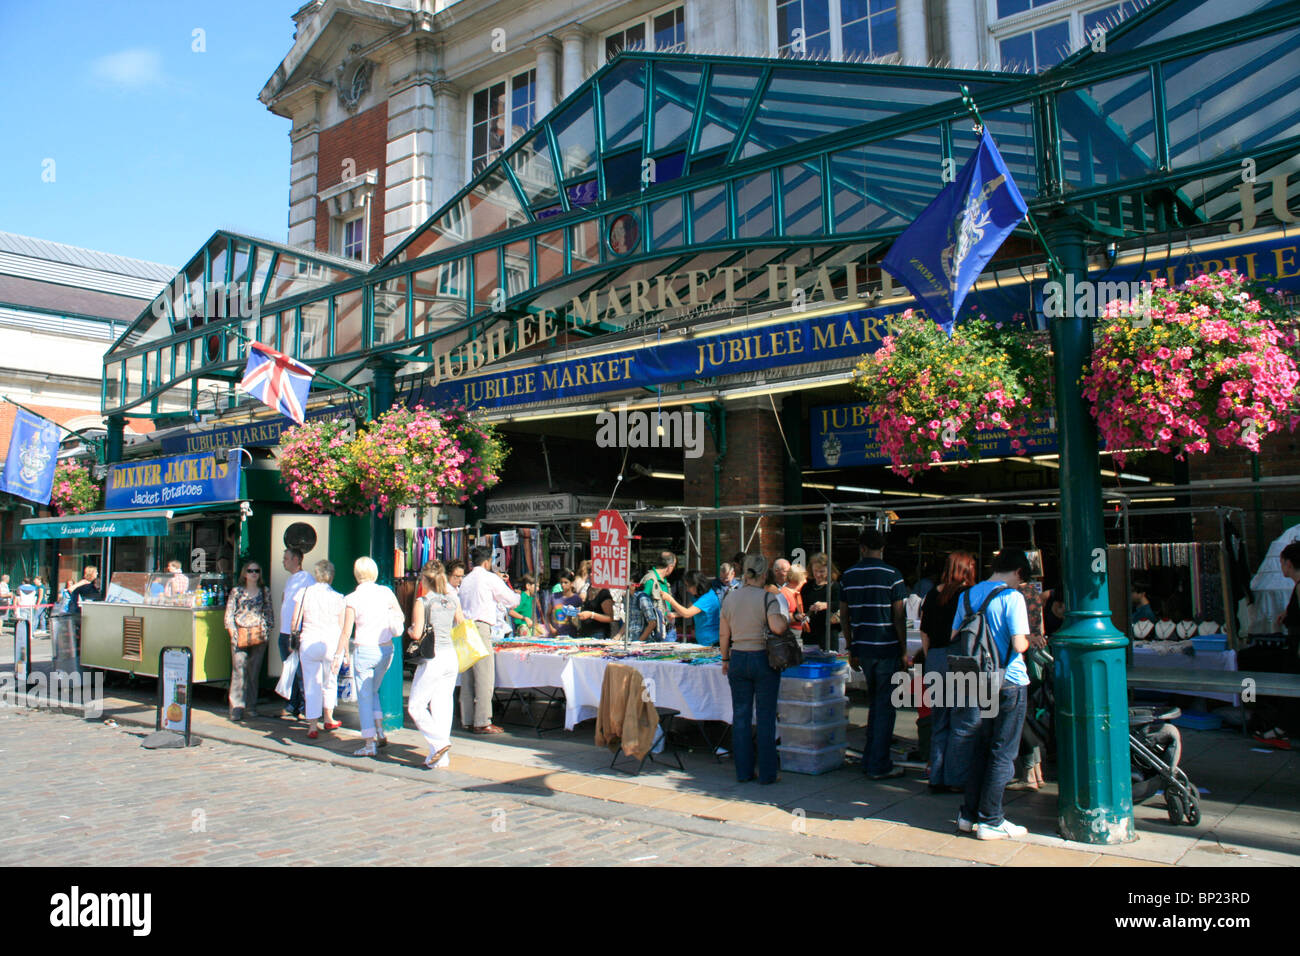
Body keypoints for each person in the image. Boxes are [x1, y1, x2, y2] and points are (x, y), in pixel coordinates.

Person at [950, 549, 1032, 841]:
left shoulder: (968, 596)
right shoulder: (1013, 598)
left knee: (981, 749)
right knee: (1003, 752)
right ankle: (991, 820)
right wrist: (1031, 637)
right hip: (1009, 680)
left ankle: (967, 814)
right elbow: (1019, 645)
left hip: (977, 680)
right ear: (1019, 572)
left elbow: (954, 636)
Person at [839, 529, 908, 780]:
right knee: (885, 705)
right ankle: (878, 763)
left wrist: (851, 646)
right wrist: (903, 650)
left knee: (874, 702)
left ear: (862, 547)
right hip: (887, 647)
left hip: (864, 648)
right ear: (882, 548)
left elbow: (844, 616)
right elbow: (899, 616)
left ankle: (871, 758)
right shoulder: (893, 575)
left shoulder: (848, 575)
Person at [720, 554, 790, 785]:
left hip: (738, 656)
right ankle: (768, 773)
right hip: (762, 658)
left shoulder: (730, 598)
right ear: (764, 573)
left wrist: (724, 658)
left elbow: (724, 634)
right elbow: (777, 627)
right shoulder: (767, 598)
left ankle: (743, 771)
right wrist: (786, 619)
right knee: (766, 717)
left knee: (740, 716)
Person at [919, 550, 978, 793]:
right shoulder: (968, 595)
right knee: (962, 721)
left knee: (939, 720)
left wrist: (930, 655)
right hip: (960, 659)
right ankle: (956, 778)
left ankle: (936, 776)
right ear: (967, 569)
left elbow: (924, 631)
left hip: (935, 657)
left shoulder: (933, 593)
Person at [339, 556, 404, 756]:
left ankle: (369, 743)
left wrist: (341, 654)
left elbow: (346, 631)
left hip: (364, 650)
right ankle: (380, 729)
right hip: (385, 649)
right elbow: (400, 615)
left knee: (365, 697)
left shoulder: (351, 598)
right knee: (374, 690)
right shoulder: (386, 592)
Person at [407, 560, 464, 768]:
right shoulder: (451, 600)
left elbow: (417, 632)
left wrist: (410, 630)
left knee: (416, 705)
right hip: (451, 655)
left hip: (433, 657)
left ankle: (439, 743)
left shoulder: (423, 602)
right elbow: (461, 621)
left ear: (424, 579)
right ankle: (440, 757)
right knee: (442, 704)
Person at [458, 545, 519, 734]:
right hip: (480, 626)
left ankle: (467, 718)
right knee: (484, 675)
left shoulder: (466, 580)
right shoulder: (489, 578)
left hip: (464, 627)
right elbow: (512, 601)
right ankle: (482, 720)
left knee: (467, 676)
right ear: (487, 562)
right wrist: (508, 587)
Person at [293, 560, 346, 739]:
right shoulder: (339, 597)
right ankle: (329, 717)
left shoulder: (304, 593)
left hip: (308, 640)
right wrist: (343, 650)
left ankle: (312, 725)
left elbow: (295, 620)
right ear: (331, 576)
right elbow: (342, 626)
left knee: (311, 683)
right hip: (330, 642)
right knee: (330, 680)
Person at [224, 562, 274, 721]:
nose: (254, 573)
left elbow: (269, 613)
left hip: (258, 634)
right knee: (239, 670)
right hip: (240, 633)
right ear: (244, 573)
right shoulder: (237, 592)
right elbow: (229, 614)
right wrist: (232, 632)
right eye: (250, 571)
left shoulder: (264, 592)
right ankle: (236, 707)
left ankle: (251, 706)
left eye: (257, 571)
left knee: (254, 672)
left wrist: (266, 631)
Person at [278, 547, 314, 719]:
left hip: (295, 632)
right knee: (290, 669)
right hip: (285, 631)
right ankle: (293, 704)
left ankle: (303, 706)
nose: (283, 561)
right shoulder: (290, 579)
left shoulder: (306, 578)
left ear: (296, 560)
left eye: (286, 558)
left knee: (300, 671)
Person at [661, 570, 722, 646]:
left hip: (712, 642)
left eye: (688, 586)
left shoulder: (707, 598)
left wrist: (670, 599)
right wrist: (675, 614)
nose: (687, 589)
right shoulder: (698, 596)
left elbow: (687, 613)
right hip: (704, 641)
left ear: (696, 584)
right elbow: (689, 610)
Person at [800, 553, 841, 650]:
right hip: (810, 634)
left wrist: (825, 605)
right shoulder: (807, 587)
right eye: (815, 571)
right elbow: (801, 608)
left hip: (828, 634)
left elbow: (840, 604)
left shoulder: (834, 586)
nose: (818, 574)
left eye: (822, 571)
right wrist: (800, 614)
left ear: (829, 570)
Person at [549, 569, 582, 638]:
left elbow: (580, 616)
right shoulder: (554, 596)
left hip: (571, 635)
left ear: (571, 583)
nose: (563, 585)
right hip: (555, 635)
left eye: (565, 582)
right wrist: (551, 628)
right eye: (561, 582)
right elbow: (548, 614)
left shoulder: (577, 599)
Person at [782, 565, 808, 642]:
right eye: (803, 579)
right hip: (791, 632)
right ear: (797, 579)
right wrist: (796, 617)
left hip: (801, 631)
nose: (805, 581)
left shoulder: (798, 593)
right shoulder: (784, 594)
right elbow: (783, 617)